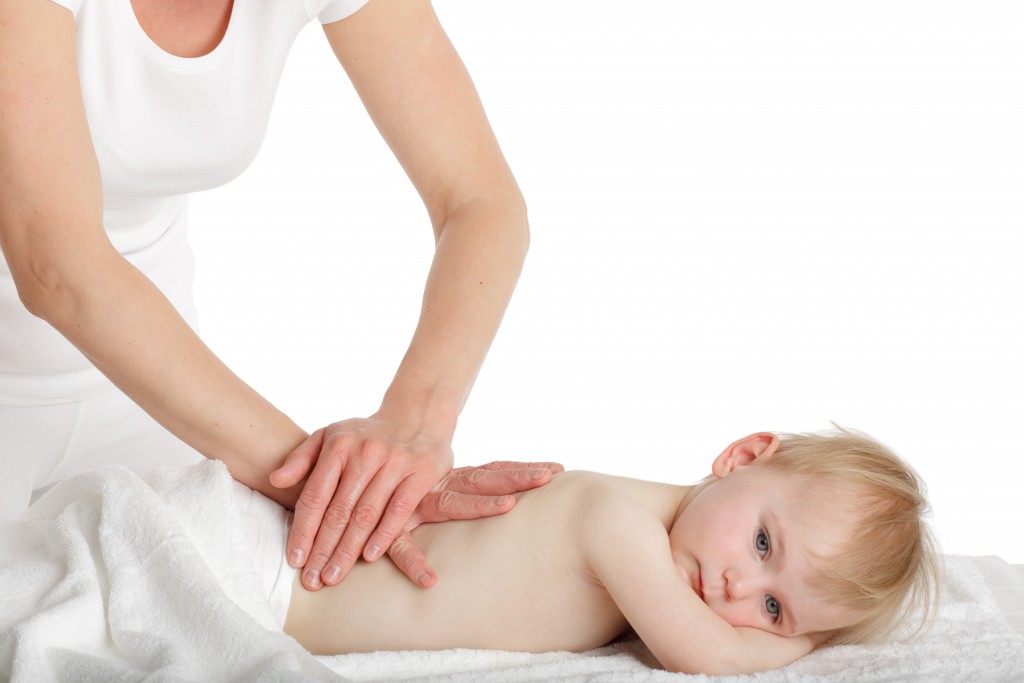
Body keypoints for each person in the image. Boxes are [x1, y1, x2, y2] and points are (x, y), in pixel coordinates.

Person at [0, 0, 554, 590]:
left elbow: (478, 200)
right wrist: (329, 484)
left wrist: (416, 423)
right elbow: (57, 270)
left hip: (150, 400)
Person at [270, 427, 939, 675]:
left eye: (773, 607)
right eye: (763, 543)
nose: (737, 587)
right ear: (741, 457)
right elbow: (716, 657)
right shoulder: (615, 522)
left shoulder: (647, 545)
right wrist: (805, 638)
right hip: (270, 576)